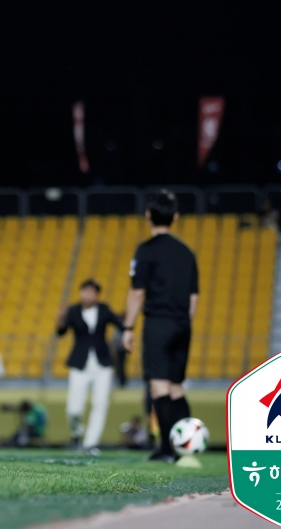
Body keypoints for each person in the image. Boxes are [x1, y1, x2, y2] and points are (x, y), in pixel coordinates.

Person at [122, 189, 199, 464]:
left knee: (159, 388)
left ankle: (167, 450)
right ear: (175, 217)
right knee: (177, 387)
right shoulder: (187, 253)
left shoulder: (146, 250)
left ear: (148, 216)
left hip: (158, 323)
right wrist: (183, 324)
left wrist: (128, 327)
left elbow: (137, 293)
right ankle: (188, 446)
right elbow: (193, 298)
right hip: (182, 324)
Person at [56, 279, 124, 454]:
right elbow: (60, 332)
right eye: (86, 291)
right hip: (80, 363)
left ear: (97, 295)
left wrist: (129, 319)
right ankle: (76, 434)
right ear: (81, 293)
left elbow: (120, 324)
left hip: (102, 364)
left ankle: (90, 443)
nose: (89, 295)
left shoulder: (104, 309)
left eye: (93, 292)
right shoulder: (73, 310)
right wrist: (61, 318)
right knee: (73, 409)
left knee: (100, 403)